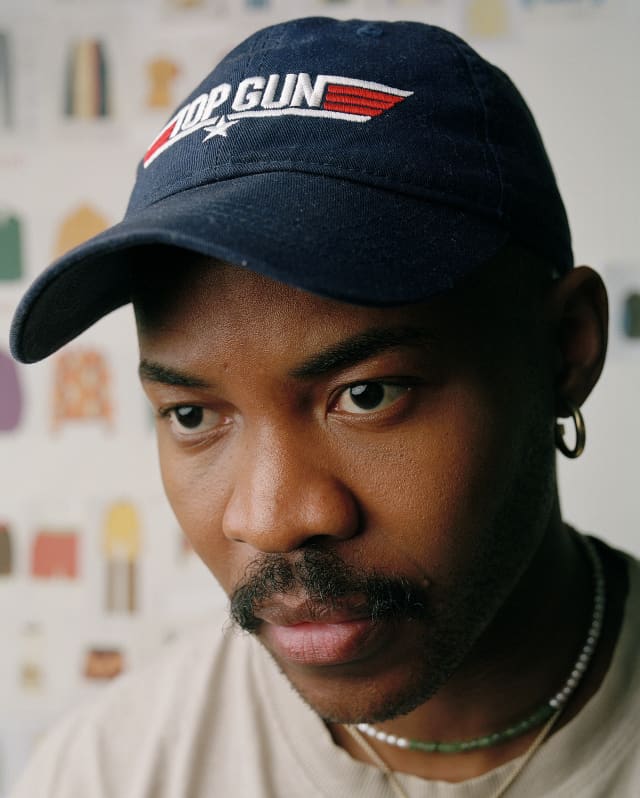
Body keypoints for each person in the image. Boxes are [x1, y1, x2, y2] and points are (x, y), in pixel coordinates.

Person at [8, 16, 639, 798]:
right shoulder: (109, 774)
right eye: (193, 415)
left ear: (565, 352)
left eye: (367, 395)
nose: (269, 519)